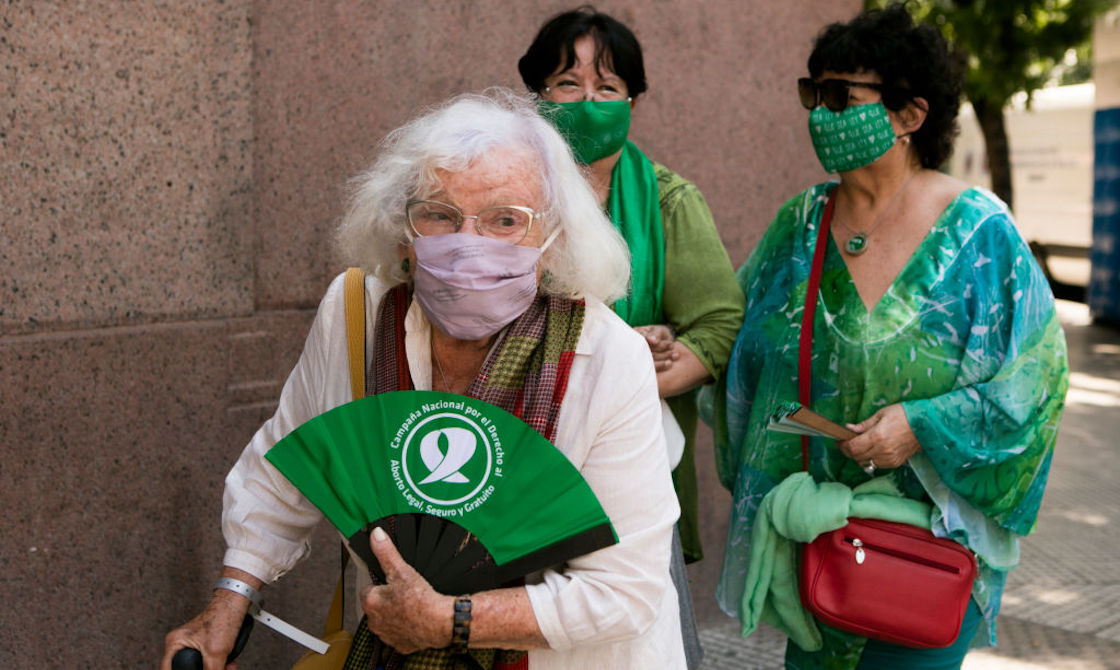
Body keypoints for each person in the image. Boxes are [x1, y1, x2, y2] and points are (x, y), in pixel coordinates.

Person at [161, 89, 686, 670]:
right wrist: (232, 597)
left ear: (553, 236)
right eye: (438, 214)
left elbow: (623, 591)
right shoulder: (355, 315)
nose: (468, 245)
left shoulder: (608, 357)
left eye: (506, 220)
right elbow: (282, 468)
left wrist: (450, 622)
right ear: (402, 228)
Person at [709, 5, 1069, 669]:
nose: (822, 114)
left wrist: (922, 425)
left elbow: (1037, 380)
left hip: (923, 557)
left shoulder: (979, 234)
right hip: (818, 555)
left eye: (843, 96)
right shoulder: (801, 225)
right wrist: (685, 353)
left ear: (910, 114)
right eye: (813, 94)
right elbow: (736, 346)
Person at [518, 5, 745, 568]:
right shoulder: (501, 196)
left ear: (633, 101)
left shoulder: (669, 202)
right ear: (536, 97)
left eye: (608, 85)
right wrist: (616, 354)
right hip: (517, 449)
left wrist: (632, 377)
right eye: (567, 83)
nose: (589, 100)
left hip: (629, 469)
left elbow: (719, 324)